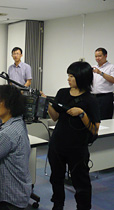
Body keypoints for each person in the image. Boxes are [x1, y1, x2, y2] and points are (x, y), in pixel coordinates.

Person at [42, 61, 100, 210]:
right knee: (56, 178)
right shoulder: (62, 93)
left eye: (72, 76)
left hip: (77, 148)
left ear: (82, 77)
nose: (68, 79)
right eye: (68, 75)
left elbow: (94, 130)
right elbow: (55, 117)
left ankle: (83, 206)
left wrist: (81, 114)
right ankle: (58, 204)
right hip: (57, 144)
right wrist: (47, 103)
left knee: (81, 182)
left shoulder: (90, 100)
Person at [91, 47, 114, 120]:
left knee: (104, 119)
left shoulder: (111, 67)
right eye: (96, 56)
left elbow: (113, 80)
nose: (97, 58)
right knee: (93, 118)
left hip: (105, 98)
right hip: (93, 97)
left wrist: (100, 72)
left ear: (105, 56)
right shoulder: (93, 67)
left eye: (99, 56)